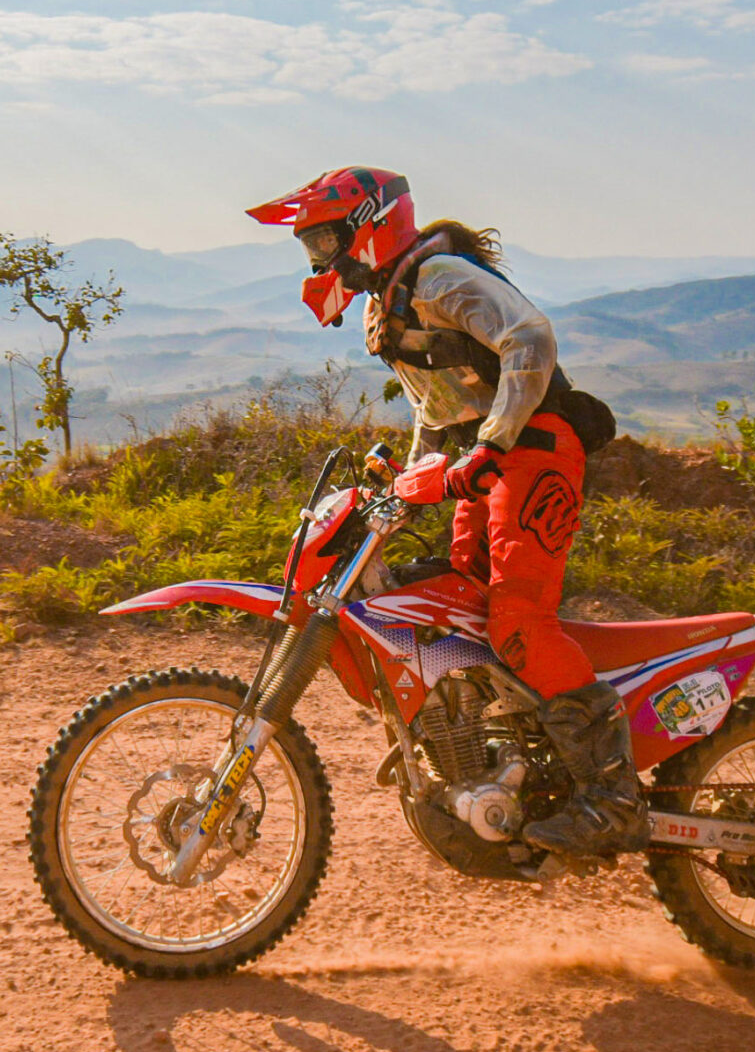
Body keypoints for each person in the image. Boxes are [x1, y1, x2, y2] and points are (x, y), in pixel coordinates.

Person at [247, 166, 648, 858]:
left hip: (534, 451)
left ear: (366, 228)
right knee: (459, 604)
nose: (318, 260)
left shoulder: (437, 280)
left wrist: (491, 442)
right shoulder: (392, 302)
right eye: (309, 247)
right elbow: (439, 409)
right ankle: (505, 761)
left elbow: (532, 339)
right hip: (481, 467)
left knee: (517, 619)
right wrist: (400, 488)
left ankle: (612, 799)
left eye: (322, 242)